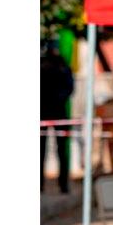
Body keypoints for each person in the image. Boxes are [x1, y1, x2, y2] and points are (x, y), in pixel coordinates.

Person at [40, 39, 74, 194]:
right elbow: (69, 87)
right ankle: (60, 185)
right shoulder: (60, 65)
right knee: (46, 151)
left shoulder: (59, 66)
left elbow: (69, 87)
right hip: (53, 111)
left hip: (50, 111)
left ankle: (62, 184)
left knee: (57, 150)